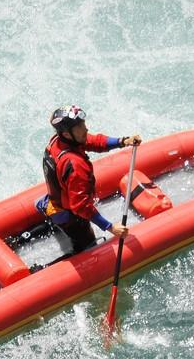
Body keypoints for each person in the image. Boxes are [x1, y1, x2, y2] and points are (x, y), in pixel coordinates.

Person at [35, 105, 142, 257]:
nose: (86, 129)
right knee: (87, 247)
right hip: (71, 215)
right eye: (80, 127)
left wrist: (123, 141)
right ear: (67, 133)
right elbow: (81, 206)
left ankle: (35, 231)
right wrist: (110, 227)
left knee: (63, 220)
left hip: (54, 203)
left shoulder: (58, 141)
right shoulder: (75, 166)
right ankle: (46, 267)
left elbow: (94, 141)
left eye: (83, 124)